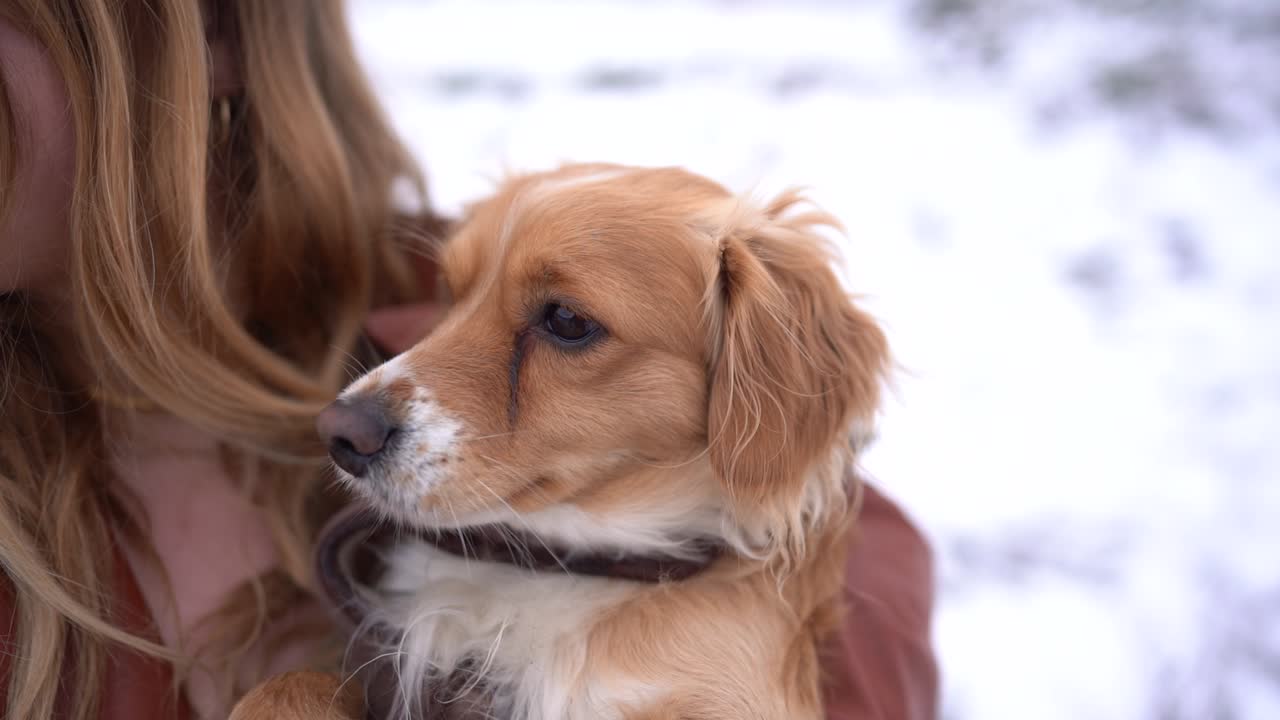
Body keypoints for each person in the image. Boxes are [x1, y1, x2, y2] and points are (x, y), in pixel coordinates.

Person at [0, 1, 938, 719]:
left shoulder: (388, 276)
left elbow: (848, 518)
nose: (374, 400)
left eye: (564, 323)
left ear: (214, 30)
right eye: (457, 297)